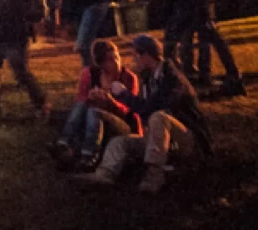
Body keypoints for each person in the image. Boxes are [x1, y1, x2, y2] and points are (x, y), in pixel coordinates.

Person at [87, 35, 212, 193]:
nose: (134, 59)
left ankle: (154, 175)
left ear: (146, 55)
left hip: (187, 139)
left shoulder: (172, 78)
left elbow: (153, 108)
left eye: (136, 55)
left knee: (158, 117)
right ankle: (104, 175)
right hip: (160, 140)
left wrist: (125, 94)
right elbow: (142, 110)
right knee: (119, 142)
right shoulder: (149, 79)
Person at [53, 38, 136, 170]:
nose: (116, 62)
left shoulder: (128, 78)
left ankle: (90, 155)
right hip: (91, 121)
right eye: (110, 59)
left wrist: (111, 102)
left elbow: (131, 111)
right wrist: (89, 98)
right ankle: (63, 143)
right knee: (83, 106)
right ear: (100, 64)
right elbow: (80, 99)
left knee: (94, 111)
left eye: (117, 57)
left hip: (120, 123)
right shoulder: (90, 74)